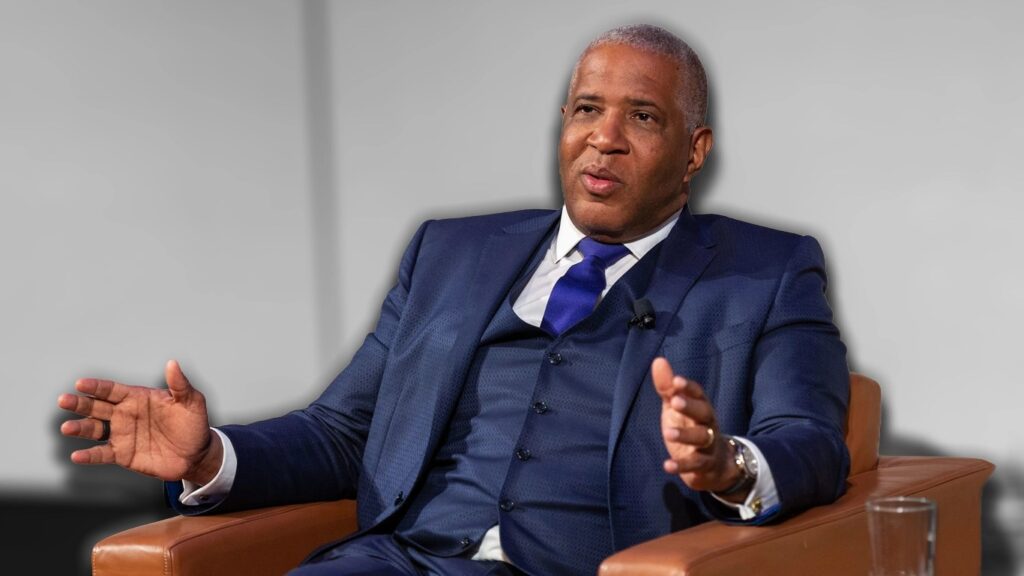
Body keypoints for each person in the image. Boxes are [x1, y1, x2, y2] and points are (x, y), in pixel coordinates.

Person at [57, 24, 849, 576]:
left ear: (694, 152)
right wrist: (209, 456)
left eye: (642, 117)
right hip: (402, 562)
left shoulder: (767, 272)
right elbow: (347, 431)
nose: (604, 138)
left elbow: (812, 440)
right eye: (586, 110)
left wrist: (727, 466)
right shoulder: (452, 253)